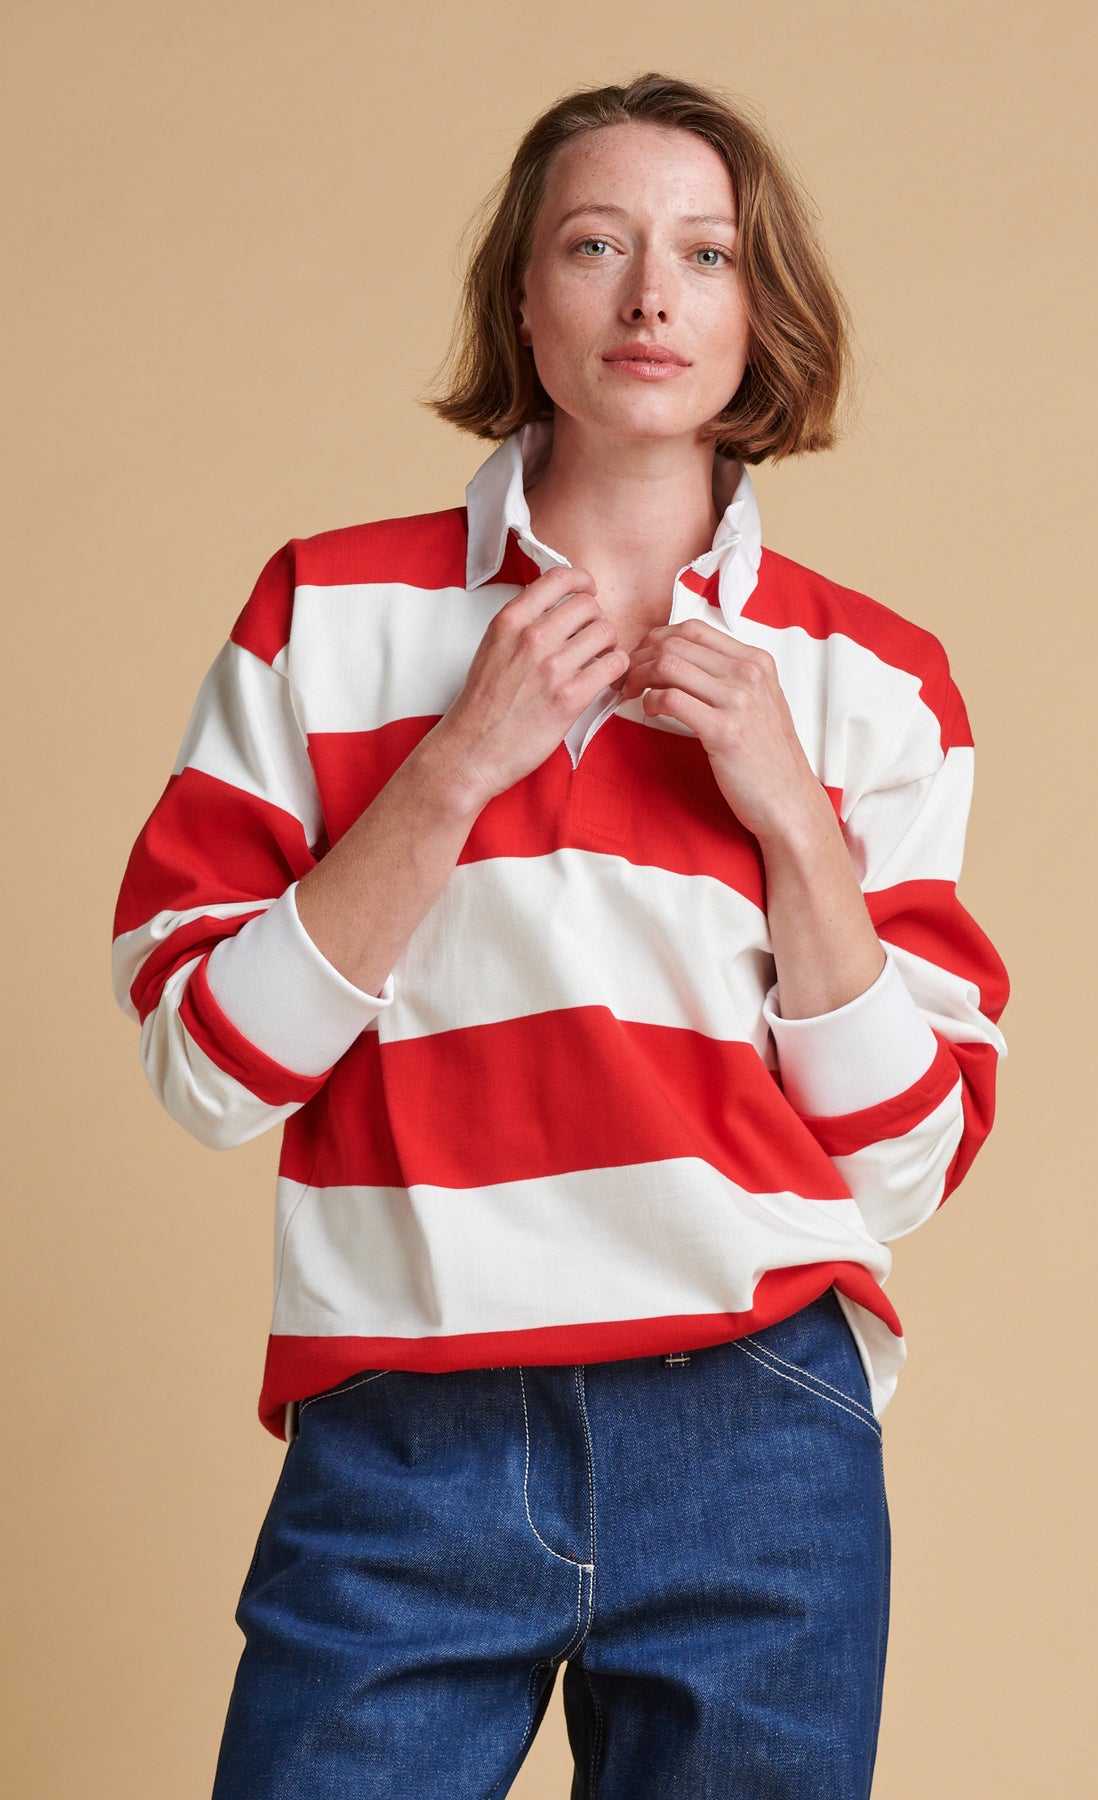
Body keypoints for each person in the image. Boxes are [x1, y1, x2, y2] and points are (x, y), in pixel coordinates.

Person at [111, 70, 1010, 1800]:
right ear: (523, 299)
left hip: (759, 1430)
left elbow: (905, 1157)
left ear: (763, 312)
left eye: (705, 254)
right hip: (406, 1428)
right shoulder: (332, 615)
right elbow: (208, 1067)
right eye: (595, 244)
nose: (651, 297)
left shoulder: (871, 681)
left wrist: (789, 813)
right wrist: (455, 765)